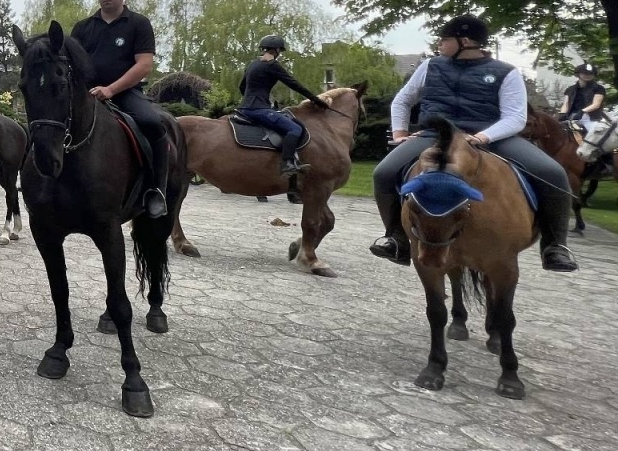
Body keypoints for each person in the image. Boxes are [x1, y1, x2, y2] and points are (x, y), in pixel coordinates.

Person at [370, 14, 577, 272]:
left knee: (553, 173)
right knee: (383, 172)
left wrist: (483, 137)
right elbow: (403, 100)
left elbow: (515, 116)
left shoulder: (506, 72)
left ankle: (555, 245)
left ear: (464, 41)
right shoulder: (430, 66)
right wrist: (400, 134)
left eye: (444, 40)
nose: (439, 45)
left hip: (492, 137)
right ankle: (396, 238)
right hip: (435, 135)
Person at [69, 0, 172, 218]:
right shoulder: (83, 27)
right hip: (87, 94)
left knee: (153, 124)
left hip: (125, 93)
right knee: (51, 121)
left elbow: (144, 65)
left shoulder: (138, 23)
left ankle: (156, 189)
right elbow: (72, 63)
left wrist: (111, 89)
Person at [236, 35, 331, 175]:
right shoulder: (272, 65)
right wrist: (316, 100)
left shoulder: (252, 64)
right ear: (277, 50)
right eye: (279, 50)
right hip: (259, 109)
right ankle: (287, 163)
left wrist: (250, 100)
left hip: (244, 108)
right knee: (295, 129)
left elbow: (242, 87)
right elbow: (293, 84)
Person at [559, 62, 607, 135]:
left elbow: (596, 104)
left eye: (591, 74)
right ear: (578, 74)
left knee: (597, 135)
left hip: (589, 118)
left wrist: (582, 111)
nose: (588, 75)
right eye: (585, 73)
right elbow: (565, 104)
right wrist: (562, 114)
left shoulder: (599, 88)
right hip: (571, 117)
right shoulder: (570, 89)